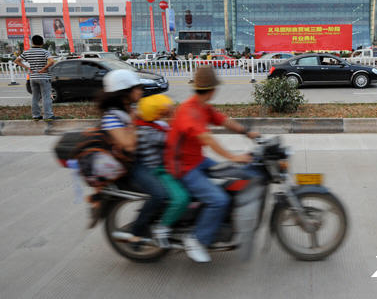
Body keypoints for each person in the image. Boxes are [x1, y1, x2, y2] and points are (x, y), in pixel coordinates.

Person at [164, 66, 260, 262]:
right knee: (219, 200)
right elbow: (207, 139)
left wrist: (247, 132)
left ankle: (222, 223)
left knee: (234, 175)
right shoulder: (189, 111)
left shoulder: (202, 106)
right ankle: (196, 239)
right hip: (183, 168)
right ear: (212, 89)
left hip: (197, 161)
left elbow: (223, 121)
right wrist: (233, 157)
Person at [112, 94, 190, 248]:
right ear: (156, 114)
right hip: (152, 169)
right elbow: (174, 140)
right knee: (163, 195)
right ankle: (138, 232)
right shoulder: (148, 132)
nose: (166, 113)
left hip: (161, 166)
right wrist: (174, 117)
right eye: (163, 112)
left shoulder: (154, 124)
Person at [98, 70, 162, 240]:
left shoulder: (129, 109)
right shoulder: (111, 117)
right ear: (124, 92)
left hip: (146, 158)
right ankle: (137, 231)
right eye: (137, 88)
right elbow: (129, 146)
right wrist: (135, 122)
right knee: (160, 193)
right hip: (132, 166)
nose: (140, 91)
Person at [14, 35, 56, 121]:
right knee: (46, 97)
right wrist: (44, 69)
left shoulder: (27, 52)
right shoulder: (44, 51)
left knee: (35, 97)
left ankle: (36, 115)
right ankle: (48, 116)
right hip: (44, 77)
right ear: (42, 43)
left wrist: (27, 68)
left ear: (32, 42)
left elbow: (16, 61)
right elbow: (52, 61)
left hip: (33, 77)